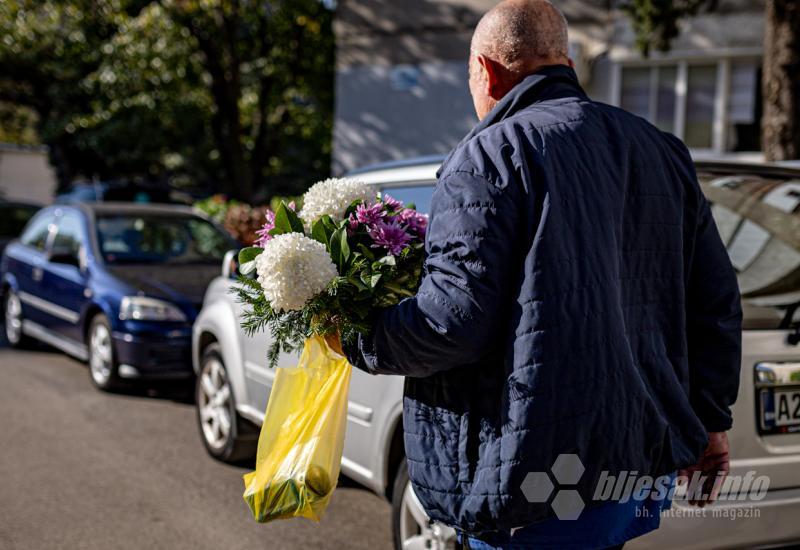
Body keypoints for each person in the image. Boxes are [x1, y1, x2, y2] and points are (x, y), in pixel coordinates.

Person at [343, 0, 742, 548]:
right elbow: (715, 302)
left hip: (533, 482)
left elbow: (452, 321)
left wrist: (356, 336)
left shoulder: (488, 155)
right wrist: (712, 420)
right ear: (567, 64)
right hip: (631, 463)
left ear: (486, 70)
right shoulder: (660, 149)